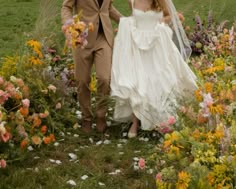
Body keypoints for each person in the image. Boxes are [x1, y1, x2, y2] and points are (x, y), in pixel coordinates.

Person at [110, 0, 198, 138]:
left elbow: (171, 16)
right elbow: (134, 19)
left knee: (159, 80)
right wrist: (128, 25)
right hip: (138, 45)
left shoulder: (160, 1)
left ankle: (161, 117)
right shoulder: (132, 1)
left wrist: (163, 20)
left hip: (156, 45)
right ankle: (135, 122)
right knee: (137, 81)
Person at [61, 0, 122, 133]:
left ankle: (101, 115)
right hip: (82, 38)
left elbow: (108, 8)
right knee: (82, 80)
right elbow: (66, 7)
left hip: (104, 37)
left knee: (104, 78)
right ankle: (86, 118)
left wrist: (125, 22)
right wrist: (70, 25)